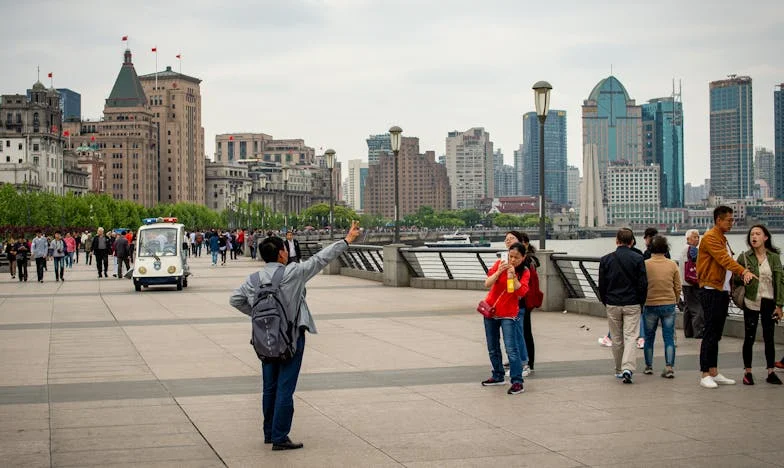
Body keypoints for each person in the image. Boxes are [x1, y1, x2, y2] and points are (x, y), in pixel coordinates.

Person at [229, 220, 362, 450]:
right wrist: (347, 240)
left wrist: (259, 316)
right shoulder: (294, 273)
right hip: (291, 338)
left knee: (269, 386)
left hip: (265, 339)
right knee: (285, 387)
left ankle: (269, 432)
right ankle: (280, 437)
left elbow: (235, 300)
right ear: (282, 253)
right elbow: (321, 259)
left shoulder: (253, 280)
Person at [697, 206, 756, 389]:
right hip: (711, 289)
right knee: (710, 332)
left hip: (721, 290)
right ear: (718, 220)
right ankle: (705, 373)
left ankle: (714, 371)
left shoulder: (722, 238)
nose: (732, 223)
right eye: (729, 220)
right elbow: (724, 259)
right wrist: (743, 270)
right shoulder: (711, 238)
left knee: (716, 333)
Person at [734, 224, 783, 385]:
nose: (754, 237)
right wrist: (743, 277)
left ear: (765, 237)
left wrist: (780, 305)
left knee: (769, 337)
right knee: (749, 337)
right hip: (751, 300)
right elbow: (735, 279)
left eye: (757, 234)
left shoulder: (774, 257)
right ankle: (747, 372)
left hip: (769, 300)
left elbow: (780, 281)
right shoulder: (744, 257)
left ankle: (771, 371)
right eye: (752, 234)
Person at [598, 228, 648, 384]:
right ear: (632, 241)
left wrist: (606, 301)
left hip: (613, 303)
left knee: (617, 338)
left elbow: (602, 285)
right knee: (631, 337)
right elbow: (643, 284)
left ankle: (619, 369)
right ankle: (628, 367)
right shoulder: (638, 259)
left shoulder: (606, 260)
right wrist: (641, 301)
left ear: (616, 240)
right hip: (632, 303)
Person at [481, 242, 530, 395]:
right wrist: (498, 273)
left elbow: (520, 292)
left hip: (509, 314)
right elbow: (487, 283)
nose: (512, 260)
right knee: (492, 347)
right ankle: (498, 375)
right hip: (491, 311)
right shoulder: (499, 264)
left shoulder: (525, 272)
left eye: (516, 257)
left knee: (511, 349)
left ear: (523, 257)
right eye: (510, 256)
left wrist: (513, 277)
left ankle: (517, 381)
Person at [642, 236, 681, 378]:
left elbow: (641, 284)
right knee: (669, 338)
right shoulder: (672, 264)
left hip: (650, 303)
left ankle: (648, 366)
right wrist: (675, 299)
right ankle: (669, 367)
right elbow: (678, 285)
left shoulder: (645, 264)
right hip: (668, 303)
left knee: (649, 337)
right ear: (666, 248)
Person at [680, 229, 704, 339]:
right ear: (688, 239)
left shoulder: (683, 249)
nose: (697, 239)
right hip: (692, 282)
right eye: (694, 237)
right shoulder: (693, 249)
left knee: (688, 307)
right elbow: (698, 260)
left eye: (698, 237)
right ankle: (698, 332)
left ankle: (688, 332)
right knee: (697, 307)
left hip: (684, 282)